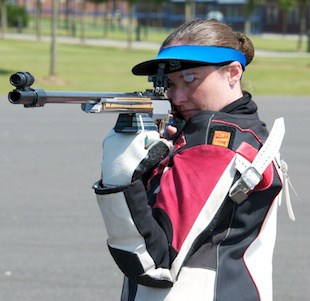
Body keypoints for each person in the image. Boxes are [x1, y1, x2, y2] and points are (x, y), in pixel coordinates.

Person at [93, 19, 293, 301]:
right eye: (170, 84)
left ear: (233, 72)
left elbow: (151, 262)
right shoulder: (242, 130)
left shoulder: (214, 145)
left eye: (191, 79)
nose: (178, 95)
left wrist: (120, 179)